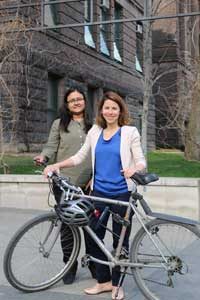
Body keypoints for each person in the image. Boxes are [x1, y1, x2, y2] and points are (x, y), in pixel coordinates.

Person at [43, 91, 146, 300]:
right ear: (101, 111)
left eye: (114, 108)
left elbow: (141, 161)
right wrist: (56, 165)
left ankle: (117, 285)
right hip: (98, 195)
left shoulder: (129, 132)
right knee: (93, 238)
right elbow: (79, 156)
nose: (110, 112)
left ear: (120, 111)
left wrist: (135, 170)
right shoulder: (95, 132)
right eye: (106, 108)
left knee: (120, 243)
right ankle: (103, 281)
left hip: (121, 195)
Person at [34, 87, 95, 284]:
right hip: (65, 183)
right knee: (67, 226)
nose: (76, 102)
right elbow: (51, 146)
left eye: (79, 99)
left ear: (85, 101)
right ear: (67, 105)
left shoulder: (95, 125)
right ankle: (69, 265)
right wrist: (44, 156)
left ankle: (95, 264)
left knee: (91, 227)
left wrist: (97, 176)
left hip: (90, 184)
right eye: (72, 100)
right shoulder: (59, 124)